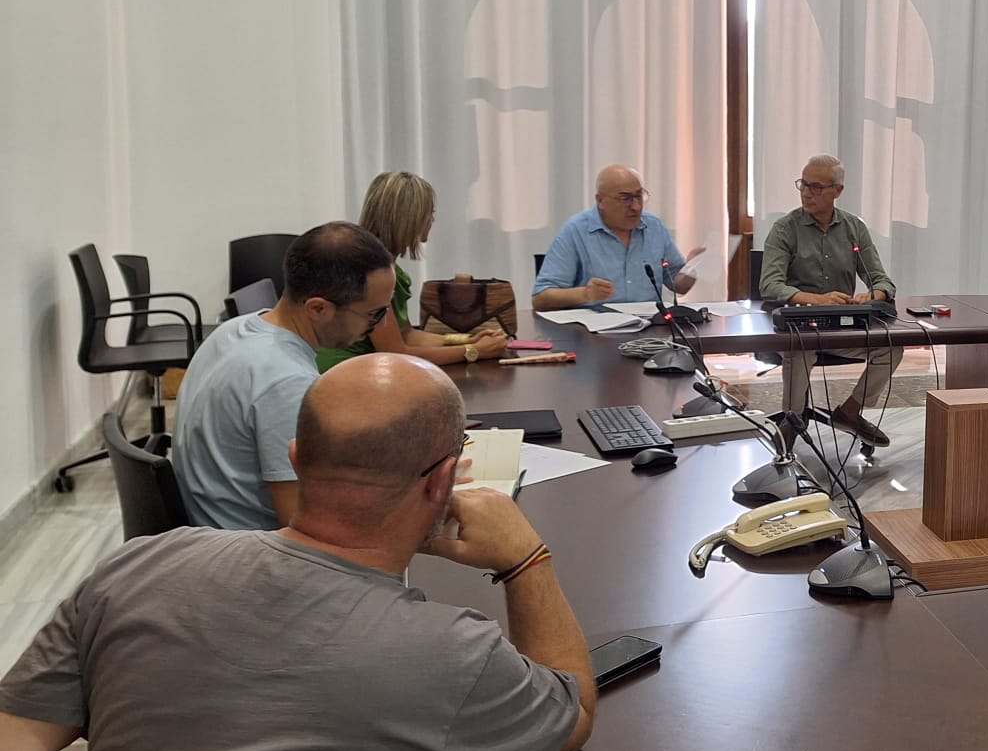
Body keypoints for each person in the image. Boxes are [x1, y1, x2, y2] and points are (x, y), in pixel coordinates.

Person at [0, 354, 691, 751]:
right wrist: (526, 560)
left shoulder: (132, 571)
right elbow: (570, 720)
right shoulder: (452, 655)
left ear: (297, 458)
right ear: (441, 481)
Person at [174, 221, 395, 531]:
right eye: (375, 314)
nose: (380, 326)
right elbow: (304, 528)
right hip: (250, 555)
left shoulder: (233, 330)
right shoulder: (287, 381)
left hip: (213, 536)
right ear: (318, 309)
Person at [756, 154, 899, 448]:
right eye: (803, 185)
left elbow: (883, 281)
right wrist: (814, 299)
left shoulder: (853, 228)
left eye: (816, 187)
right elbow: (769, 285)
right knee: (799, 349)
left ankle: (850, 411)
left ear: (838, 190)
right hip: (799, 326)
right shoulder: (785, 229)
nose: (807, 193)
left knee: (891, 346)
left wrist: (873, 295)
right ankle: (791, 422)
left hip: (840, 326)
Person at [318, 170, 507, 371]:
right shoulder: (369, 270)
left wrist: (465, 339)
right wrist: (474, 351)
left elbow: (407, 334)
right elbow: (396, 353)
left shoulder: (386, 265)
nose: (432, 221)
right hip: (345, 374)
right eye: (430, 213)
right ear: (411, 217)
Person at [533, 165, 708, 312]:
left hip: (649, 333)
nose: (636, 206)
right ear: (600, 200)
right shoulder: (575, 231)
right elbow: (540, 299)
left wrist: (690, 269)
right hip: (594, 336)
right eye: (625, 199)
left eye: (639, 196)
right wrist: (584, 294)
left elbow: (679, 287)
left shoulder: (654, 227)